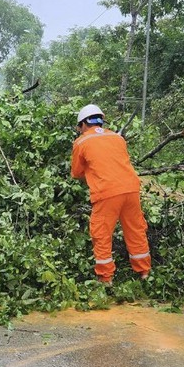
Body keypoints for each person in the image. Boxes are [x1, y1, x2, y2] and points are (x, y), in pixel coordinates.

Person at [71, 104, 151, 285]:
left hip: (106, 192)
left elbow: (76, 174)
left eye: (79, 127)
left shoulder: (81, 142)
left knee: (101, 233)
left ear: (83, 124)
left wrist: (92, 177)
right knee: (136, 230)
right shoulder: (118, 138)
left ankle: (105, 278)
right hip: (131, 189)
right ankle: (145, 273)